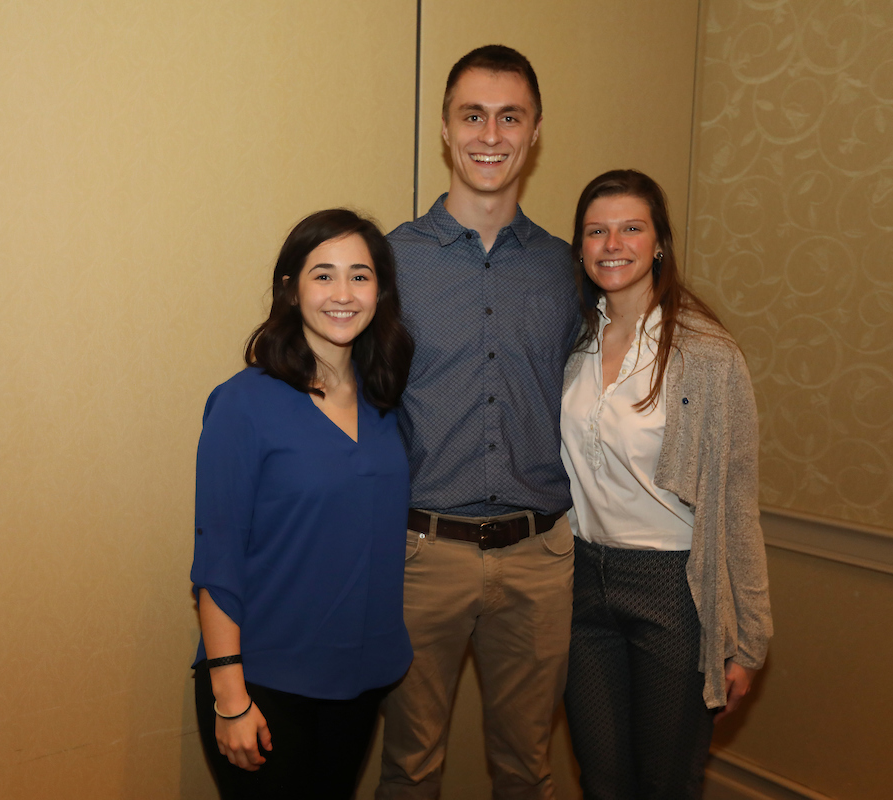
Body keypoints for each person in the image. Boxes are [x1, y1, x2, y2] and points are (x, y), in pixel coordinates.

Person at [377, 45, 581, 800]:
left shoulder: (569, 269)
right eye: (472, 115)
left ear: (533, 134)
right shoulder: (388, 264)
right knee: (410, 769)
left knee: (527, 772)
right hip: (420, 558)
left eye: (508, 117)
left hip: (539, 560)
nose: (489, 134)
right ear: (445, 129)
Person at [559, 169, 773, 800]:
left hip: (673, 592)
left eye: (631, 228)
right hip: (579, 587)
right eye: (596, 230)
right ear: (579, 247)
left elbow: (736, 505)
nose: (612, 243)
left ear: (659, 243)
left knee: (666, 783)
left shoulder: (708, 355)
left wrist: (749, 638)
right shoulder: (571, 342)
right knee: (602, 780)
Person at [190, 209, 415, 800]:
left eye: (360, 276)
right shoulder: (243, 404)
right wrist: (230, 697)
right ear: (290, 289)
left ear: (380, 291)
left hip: (359, 681)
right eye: (324, 275)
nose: (343, 294)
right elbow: (218, 559)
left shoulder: (385, 401)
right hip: (265, 683)